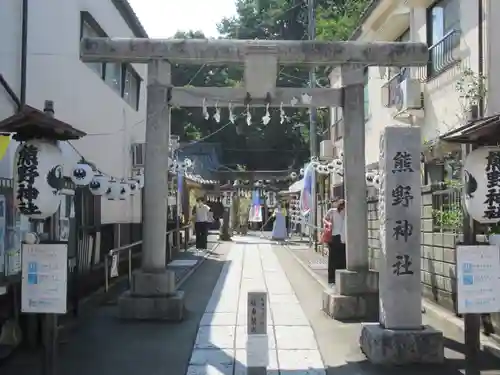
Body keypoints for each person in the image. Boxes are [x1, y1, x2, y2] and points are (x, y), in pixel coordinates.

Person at [323, 199, 346, 285]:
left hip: (343, 237)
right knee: (332, 259)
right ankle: (332, 279)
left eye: (343, 207)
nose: (341, 209)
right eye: (340, 207)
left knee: (342, 258)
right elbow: (324, 219)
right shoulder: (332, 211)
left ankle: (340, 278)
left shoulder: (346, 212)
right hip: (333, 236)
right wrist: (328, 224)